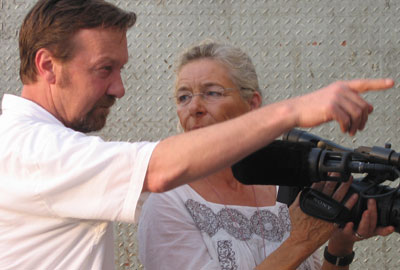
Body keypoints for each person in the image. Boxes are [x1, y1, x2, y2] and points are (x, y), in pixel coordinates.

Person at [0, 0, 394, 269]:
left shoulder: (45, 146)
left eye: (120, 70)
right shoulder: (30, 149)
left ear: (251, 100)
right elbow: (159, 170)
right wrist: (291, 112)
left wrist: (337, 248)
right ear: (48, 65)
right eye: (104, 69)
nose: (119, 88)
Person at [137, 41, 395, 270]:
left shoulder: (284, 185)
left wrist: (339, 248)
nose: (194, 107)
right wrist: (301, 240)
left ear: (253, 103)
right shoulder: (168, 203)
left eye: (212, 93)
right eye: (183, 97)